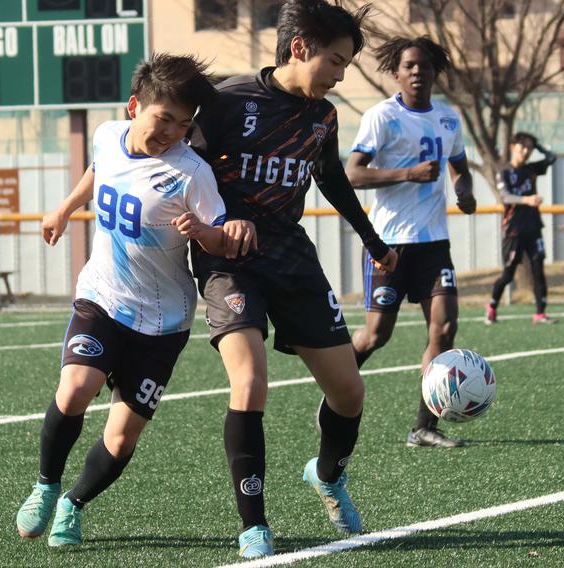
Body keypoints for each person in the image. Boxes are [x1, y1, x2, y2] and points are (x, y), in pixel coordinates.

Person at [14, 53, 256, 548]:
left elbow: (220, 240)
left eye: (184, 125)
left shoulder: (192, 173)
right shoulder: (106, 135)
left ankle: (72, 504)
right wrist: (64, 207)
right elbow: (99, 168)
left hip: (164, 322)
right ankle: (45, 485)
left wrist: (207, 233)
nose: (172, 132)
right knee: (76, 388)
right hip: (102, 297)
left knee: (123, 438)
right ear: (134, 107)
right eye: (163, 118)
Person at [189, 0, 397, 559]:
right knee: (250, 382)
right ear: (299, 48)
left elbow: (330, 179)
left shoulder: (322, 117)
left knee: (350, 392)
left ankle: (327, 476)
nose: (341, 75)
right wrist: (209, 230)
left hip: (291, 257)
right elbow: (178, 171)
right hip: (229, 261)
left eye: (347, 64)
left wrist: (374, 242)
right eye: (335, 60)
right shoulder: (228, 102)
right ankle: (253, 525)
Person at [345, 36, 476, 449]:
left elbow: (460, 168)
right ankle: (336, 390)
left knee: (445, 328)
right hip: (389, 245)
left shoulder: (449, 118)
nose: (418, 71)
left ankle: (424, 426)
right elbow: (352, 174)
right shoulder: (382, 117)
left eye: (425, 65)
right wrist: (406, 174)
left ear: (435, 72)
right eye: (410, 66)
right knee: (376, 335)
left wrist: (465, 190)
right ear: (396, 73)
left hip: (434, 243)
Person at [486, 132, 557, 324]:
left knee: (538, 269)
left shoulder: (531, 169)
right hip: (513, 230)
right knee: (508, 274)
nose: (526, 151)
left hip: (533, 227)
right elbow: (505, 197)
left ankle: (540, 313)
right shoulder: (505, 171)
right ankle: (492, 305)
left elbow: (552, 158)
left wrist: (538, 145)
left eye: (529, 148)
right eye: (522, 147)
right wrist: (527, 199)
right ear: (512, 147)